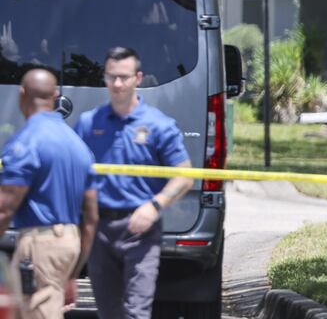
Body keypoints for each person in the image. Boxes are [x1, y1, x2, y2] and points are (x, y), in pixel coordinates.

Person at [74, 47, 194, 318]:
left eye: (124, 77)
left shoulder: (158, 125)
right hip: (99, 230)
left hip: (140, 230)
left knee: (136, 312)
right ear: (104, 78)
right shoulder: (88, 123)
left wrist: (154, 206)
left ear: (138, 78)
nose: (117, 84)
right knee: (108, 312)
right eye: (112, 77)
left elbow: (185, 175)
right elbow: (72, 171)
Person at [0, 68, 98, 319]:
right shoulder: (77, 143)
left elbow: (5, 207)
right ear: (55, 96)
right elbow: (91, 217)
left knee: (38, 313)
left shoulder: (27, 140)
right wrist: (74, 272)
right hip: (69, 242)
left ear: (22, 95)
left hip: (39, 243)